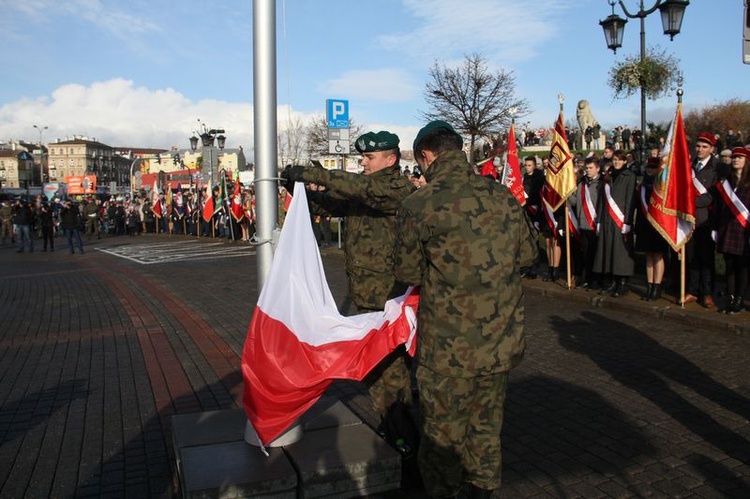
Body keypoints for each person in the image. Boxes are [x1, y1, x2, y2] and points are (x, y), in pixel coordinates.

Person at [392, 120, 538, 498]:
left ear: (425, 155)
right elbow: (528, 254)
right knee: (486, 433)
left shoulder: (418, 204)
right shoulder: (502, 196)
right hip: (499, 343)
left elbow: (407, 271)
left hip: (448, 351)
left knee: (443, 440)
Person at [282, 130, 417, 430]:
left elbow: (361, 189)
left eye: (369, 157)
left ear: (391, 159)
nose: (364, 163)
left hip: (390, 299)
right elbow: (328, 204)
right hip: (366, 297)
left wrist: (317, 174)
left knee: (391, 373)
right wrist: (299, 190)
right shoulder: (365, 190)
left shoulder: (397, 188)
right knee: (375, 369)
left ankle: (403, 437)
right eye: (362, 158)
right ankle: (393, 428)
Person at [683, 132, 723, 308]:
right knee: (692, 257)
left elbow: (712, 197)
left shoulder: (717, 168)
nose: (700, 149)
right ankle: (692, 291)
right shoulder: (689, 166)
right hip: (689, 220)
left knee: (706, 259)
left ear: (712, 149)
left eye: (704, 147)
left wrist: (688, 201)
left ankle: (707, 293)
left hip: (706, 220)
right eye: (698, 146)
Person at [593, 150, 636, 297]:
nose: (617, 162)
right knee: (608, 250)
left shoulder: (629, 176)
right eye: (615, 159)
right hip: (606, 219)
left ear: (625, 161)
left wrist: (628, 221)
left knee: (620, 252)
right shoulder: (608, 177)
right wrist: (598, 220)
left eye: (620, 160)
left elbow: (630, 199)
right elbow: (601, 200)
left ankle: (622, 283)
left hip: (620, 219)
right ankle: (610, 281)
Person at [715, 147, 750, 314]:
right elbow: (719, 206)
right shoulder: (726, 182)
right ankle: (729, 298)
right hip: (727, 228)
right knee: (729, 265)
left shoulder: (749, 182)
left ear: (746, 161)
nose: (736, 160)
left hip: (744, 230)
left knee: (742, 266)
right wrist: (716, 228)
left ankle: (739, 299)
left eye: (740, 158)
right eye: (734, 157)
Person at [634, 157, 671, 301]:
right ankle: (649, 285)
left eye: (653, 167)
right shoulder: (642, 185)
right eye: (648, 167)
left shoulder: (661, 186)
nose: (650, 170)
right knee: (648, 256)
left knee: (658, 255)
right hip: (644, 223)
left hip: (657, 224)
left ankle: (657, 286)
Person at [569, 156, 602, 289]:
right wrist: (567, 193)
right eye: (586, 168)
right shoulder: (582, 184)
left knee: (596, 255)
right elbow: (575, 202)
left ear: (597, 169)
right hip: (583, 225)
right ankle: (587, 279)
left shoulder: (601, 184)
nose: (588, 170)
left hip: (595, 225)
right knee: (586, 254)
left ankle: (597, 280)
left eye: (590, 168)